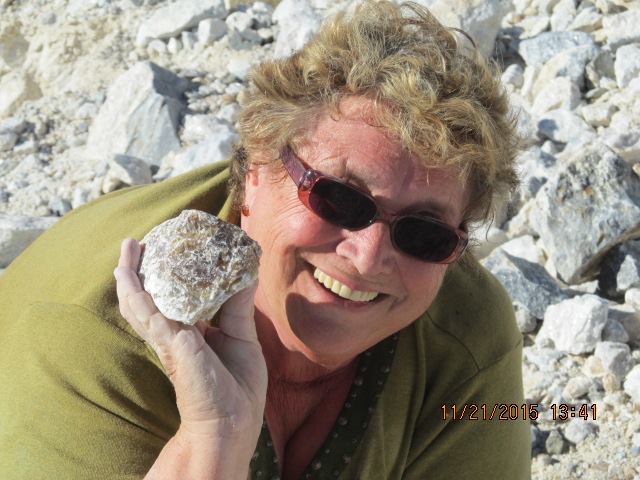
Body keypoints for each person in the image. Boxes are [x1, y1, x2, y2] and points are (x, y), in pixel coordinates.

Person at [0, 1, 531, 479]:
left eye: (424, 233)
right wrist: (215, 436)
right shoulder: (90, 338)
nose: (368, 255)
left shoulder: (466, 338)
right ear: (256, 167)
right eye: (340, 199)